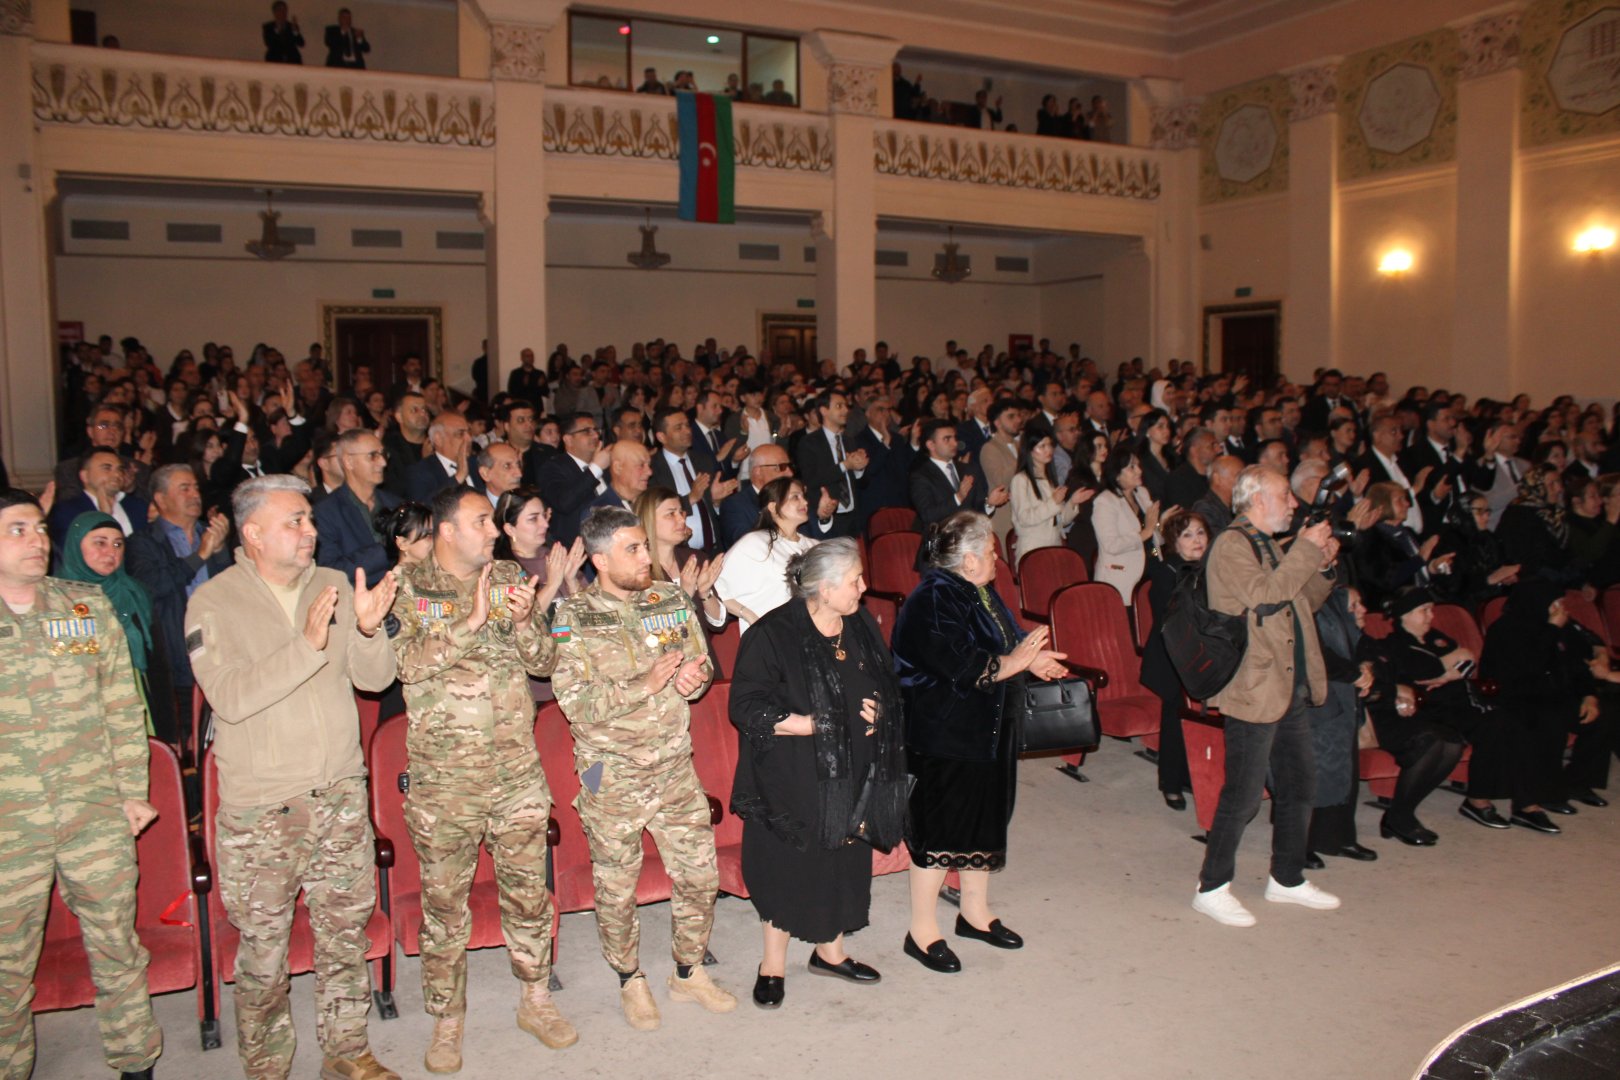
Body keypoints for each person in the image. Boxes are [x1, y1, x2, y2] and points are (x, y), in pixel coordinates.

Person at [185, 474, 401, 1080]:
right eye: (296, 522)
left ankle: (349, 1050)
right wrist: (307, 645)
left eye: (310, 519)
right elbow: (228, 696)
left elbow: (375, 681)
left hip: (337, 791)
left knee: (343, 933)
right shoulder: (214, 602)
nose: (311, 531)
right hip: (264, 808)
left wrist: (365, 630)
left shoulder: (335, 583)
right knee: (263, 951)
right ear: (252, 534)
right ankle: (266, 1066)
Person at [389, 486, 582, 1071]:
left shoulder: (504, 578)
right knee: (445, 908)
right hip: (446, 781)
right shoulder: (407, 586)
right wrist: (472, 623)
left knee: (528, 895)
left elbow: (543, 662)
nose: (495, 532)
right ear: (447, 530)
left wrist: (527, 621)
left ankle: (536, 998)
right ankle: (448, 1021)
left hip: (515, 773)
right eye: (481, 522)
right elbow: (403, 665)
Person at [550, 507, 736, 1030]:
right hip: (608, 773)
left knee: (700, 876)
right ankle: (630, 979)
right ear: (600, 559)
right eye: (632, 549)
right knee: (616, 886)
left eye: (644, 546)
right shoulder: (573, 617)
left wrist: (689, 683)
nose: (645, 557)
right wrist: (646, 685)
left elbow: (699, 671)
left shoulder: (671, 600)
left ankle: (688, 970)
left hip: (674, 764)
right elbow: (574, 703)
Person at [0, 489, 163, 1080]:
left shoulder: (84, 607)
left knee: (119, 944)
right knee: (7, 966)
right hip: (9, 825)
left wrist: (131, 792)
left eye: (39, 529)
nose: (36, 540)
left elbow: (122, 705)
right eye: (18, 530)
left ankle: (135, 1061)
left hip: (94, 809)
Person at [728, 539, 906, 1008]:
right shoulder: (772, 634)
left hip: (851, 769)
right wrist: (814, 725)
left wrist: (878, 710)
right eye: (855, 582)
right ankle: (772, 965)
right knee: (789, 868)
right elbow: (744, 706)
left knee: (843, 861)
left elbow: (886, 680)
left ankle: (830, 952)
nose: (864, 589)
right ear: (824, 588)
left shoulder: (859, 623)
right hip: (792, 775)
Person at [891, 511, 1067, 972]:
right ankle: (922, 930)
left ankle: (974, 913)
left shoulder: (979, 591)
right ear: (968, 560)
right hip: (944, 734)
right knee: (938, 830)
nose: (996, 557)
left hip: (987, 729)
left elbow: (1004, 647)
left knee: (985, 820)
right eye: (989, 551)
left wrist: (1033, 660)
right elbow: (964, 666)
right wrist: (1016, 661)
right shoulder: (932, 599)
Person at [1192, 466, 1340, 928]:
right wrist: (1304, 550)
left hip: (1285, 681)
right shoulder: (1233, 545)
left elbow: (1300, 598)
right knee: (1243, 795)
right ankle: (1211, 887)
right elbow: (1266, 597)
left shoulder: (1267, 543)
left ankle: (1287, 878)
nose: (1294, 504)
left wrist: (1324, 564)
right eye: (1285, 496)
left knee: (1299, 785)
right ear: (1257, 500)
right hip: (1254, 687)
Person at [1482, 580, 1615, 815]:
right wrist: (1551, 630)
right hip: (1515, 696)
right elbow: (1527, 667)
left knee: (1604, 715)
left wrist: (1588, 695)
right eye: (1555, 603)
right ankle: (1546, 793)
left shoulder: (1559, 626)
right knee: (1550, 720)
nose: (1561, 609)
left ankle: (1578, 782)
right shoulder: (1505, 630)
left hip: (1552, 693)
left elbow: (1577, 665)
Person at [58, 510, 177, 743]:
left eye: (117, 544)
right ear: (76, 545)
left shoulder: (135, 593)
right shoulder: (57, 600)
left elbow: (159, 667)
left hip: (137, 700)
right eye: (99, 543)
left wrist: (169, 733)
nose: (110, 552)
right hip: (81, 714)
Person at [1304, 586, 1379, 865]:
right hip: (1316, 695)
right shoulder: (1308, 603)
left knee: (1344, 769)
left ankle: (1338, 837)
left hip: (1346, 695)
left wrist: (1367, 667)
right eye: (1354, 605)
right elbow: (1314, 653)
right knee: (1315, 770)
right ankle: (1303, 843)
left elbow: (1363, 643)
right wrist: (1354, 673)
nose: (1361, 609)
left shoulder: (1335, 606)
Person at [1139, 509, 1208, 810]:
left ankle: (1189, 775)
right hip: (1172, 656)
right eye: (1187, 535)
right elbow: (1172, 620)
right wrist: (1152, 529)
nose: (1197, 540)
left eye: (1201, 533)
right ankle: (1170, 782)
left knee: (1200, 718)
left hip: (1202, 654)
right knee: (1174, 717)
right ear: (1174, 542)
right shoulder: (1165, 571)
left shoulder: (1210, 569)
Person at [714, 476, 818, 634]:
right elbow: (716, 587)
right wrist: (748, 615)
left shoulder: (815, 546)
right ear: (773, 506)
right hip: (771, 639)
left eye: (803, 497)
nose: (805, 502)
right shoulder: (755, 543)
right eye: (795, 497)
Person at [633, 487, 726, 629]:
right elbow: (651, 629)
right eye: (671, 514)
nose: (682, 519)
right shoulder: (638, 572)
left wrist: (705, 593)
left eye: (681, 512)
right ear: (649, 519)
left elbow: (718, 624)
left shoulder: (695, 558)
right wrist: (685, 597)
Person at [315, 429, 402, 581]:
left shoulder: (396, 504)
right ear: (348, 462)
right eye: (373, 456)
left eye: (383, 454)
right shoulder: (326, 513)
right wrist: (384, 551)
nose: (383, 462)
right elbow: (330, 572)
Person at [1091, 444, 1160, 606]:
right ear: (1116, 475)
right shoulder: (1105, 502)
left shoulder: (1142, 493)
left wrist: (1161, 524)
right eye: (1131, 467)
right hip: (1122, 574)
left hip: (1152, 561)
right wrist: (1145, 533)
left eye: (1138, 465)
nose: (1139, 471)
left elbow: (1153, 536)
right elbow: (1111, 545)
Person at [1008, 428, 1092, 560]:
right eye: (1042, 446)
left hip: (1055, 544)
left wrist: (1073, 502)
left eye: (1050, 445)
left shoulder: (1050, 479)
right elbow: (1024, 518)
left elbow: (1061, 521)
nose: (1049, 450)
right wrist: (1053, 502)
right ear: (1029, 450)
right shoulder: (1021, 480)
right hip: (1033, 548)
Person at [403, 413, 472, 505]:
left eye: (469, 433)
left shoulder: (478, 464)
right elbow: (423, 509)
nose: (469, 439)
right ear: (438, 439)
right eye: (460, 434)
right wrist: (458, 477)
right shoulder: (419, 472)